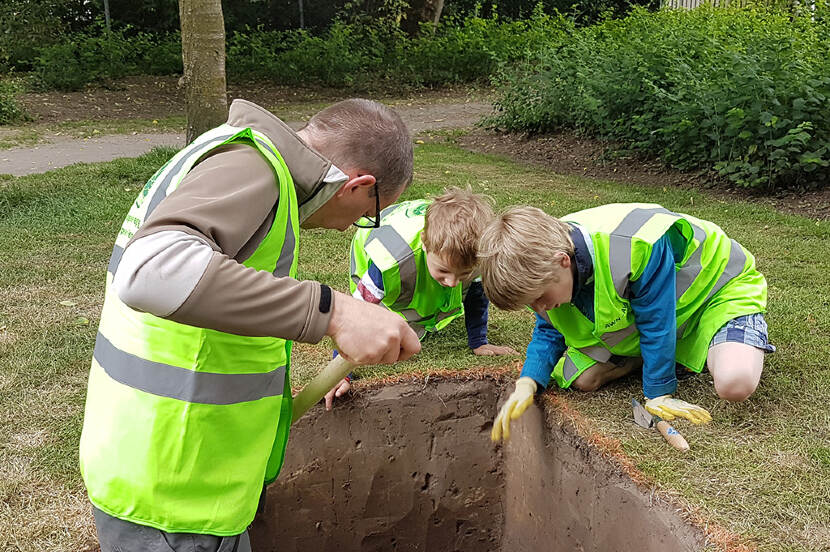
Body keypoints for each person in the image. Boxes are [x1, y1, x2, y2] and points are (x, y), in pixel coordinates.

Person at [79, 98, 422, 551]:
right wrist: (334, 311)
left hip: (172, 467)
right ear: (358, 184)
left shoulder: (235, 153)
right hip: (177, 494)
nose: (352, 228)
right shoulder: (255, 168)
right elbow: (150, 271)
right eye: (367, 215)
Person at [479, 203, 775, 441]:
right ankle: (661, 360)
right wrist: (528, 383)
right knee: (582, 378)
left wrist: (659, 392)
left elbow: (656, 320)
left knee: (735, 381)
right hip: (664, 316)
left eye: (539, 297)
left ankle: (734, 336)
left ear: (563, 261)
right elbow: (548, 330)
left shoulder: (636, 246)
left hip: (715, 296)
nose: (539, 308)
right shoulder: (543, 264)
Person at [324, 188, 518, 409]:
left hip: (421, 248)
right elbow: (354, 317)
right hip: (379, 249)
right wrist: (340, 373)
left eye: (462, 274)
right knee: (386, 327)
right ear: (426, 245)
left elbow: (476, 294)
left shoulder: (480, 254)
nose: (454, 283)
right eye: (444, 271)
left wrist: (478, 342)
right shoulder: (388, 262)